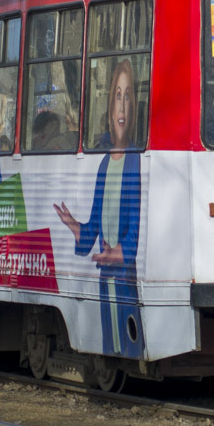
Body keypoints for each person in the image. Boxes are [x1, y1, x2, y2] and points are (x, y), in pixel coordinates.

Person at [54, 58, 143, 359]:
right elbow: (94, 226)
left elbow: (138, 221)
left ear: (134, 108)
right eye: (117, 96)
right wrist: (75, 226)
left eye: (128, 96)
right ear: (109, 108)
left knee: (129, 339)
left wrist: (124, 252)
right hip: (106, 278)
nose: (121, 106)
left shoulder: (136, 160)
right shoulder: (105, 164)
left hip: (125, 276)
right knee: (109, 339)